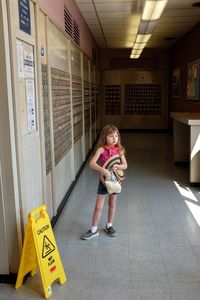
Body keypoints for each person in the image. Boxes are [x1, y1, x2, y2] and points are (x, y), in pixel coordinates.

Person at [81, 124, 128, 240]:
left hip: (115, 182)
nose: (114, 138)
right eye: (111, 136)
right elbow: (92, 163)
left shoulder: (119, 150)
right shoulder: (101, 149)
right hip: (103, 182)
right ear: (105, 137)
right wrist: (103, 170)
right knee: (98, 206)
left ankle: (109, 225)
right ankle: (93, 229)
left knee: (112, 204)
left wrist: (117, 166)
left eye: (116, 136)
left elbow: (125, 165)